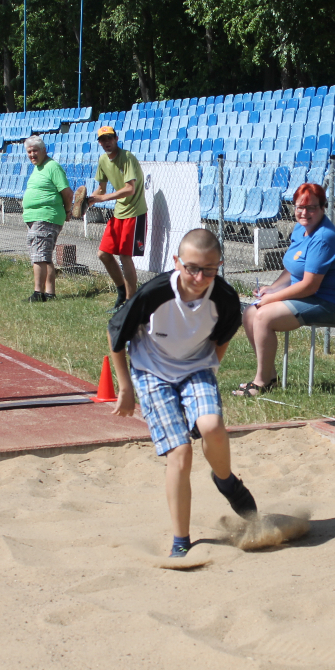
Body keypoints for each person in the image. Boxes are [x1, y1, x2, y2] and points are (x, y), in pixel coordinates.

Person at [107, 228, 257, 558]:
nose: (199, 277)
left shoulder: (226, 299)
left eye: (208, 270)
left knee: (212, 427)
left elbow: (221, 341)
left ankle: (226, 481)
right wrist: (125, 387)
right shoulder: (154, 293)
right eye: (191, 267)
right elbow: (116, 335)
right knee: (180, 452)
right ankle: (181, 539)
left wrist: (205, 376)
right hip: (151, 371)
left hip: (196, 367)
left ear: (219, 265)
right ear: (176, 262)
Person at [235, 183, 335, 397]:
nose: (304, 212)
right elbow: (293, 268)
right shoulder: (300, 228)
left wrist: (272, 299)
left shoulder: (324, 237)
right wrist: (271, 289)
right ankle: (269, 376)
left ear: (322, 208)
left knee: (263, 316)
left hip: (332, 303)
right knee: (249, 314)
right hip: (309, 296)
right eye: (300, 207)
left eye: (311, 207)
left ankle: (261, 383)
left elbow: (310, 285)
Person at [89, 126, 148, 311]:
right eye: (102, 139)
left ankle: (130, 304)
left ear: (116, 138)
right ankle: (122, 292)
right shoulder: (102, 160)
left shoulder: (127, 157)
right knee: (103, 254)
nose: (106, 142)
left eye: (109, 138)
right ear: (99, 142)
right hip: (119, 213)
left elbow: (130, 188)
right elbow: (101, 189)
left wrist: (103, 198)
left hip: (135, 212)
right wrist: (87, 201)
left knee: (125, 256)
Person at [22, 135, 73, 302]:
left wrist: (67, 210)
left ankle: (38, 293)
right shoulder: (38, 168)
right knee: (45, 256)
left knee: (39, 256)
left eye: (35, 150)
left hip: (46, 216)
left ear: (44, 150)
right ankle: (50, 293)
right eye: (29, 152)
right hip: (38, 217)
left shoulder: (52, 167)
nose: (32, 154)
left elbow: (67, 192)